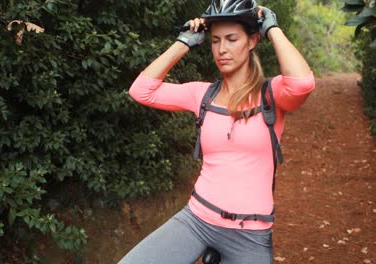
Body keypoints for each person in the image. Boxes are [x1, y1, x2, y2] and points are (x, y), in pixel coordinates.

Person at [119, 0, 315, 263]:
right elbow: (141, 90)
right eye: (215, 40)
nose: (222, 49)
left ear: (252, 41)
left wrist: (272, 27)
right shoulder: (201, 95)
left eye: (232, 39)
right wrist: (184, 42)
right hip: (196, 220)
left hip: (250, 234)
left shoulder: (271, 95)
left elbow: (302, 84)